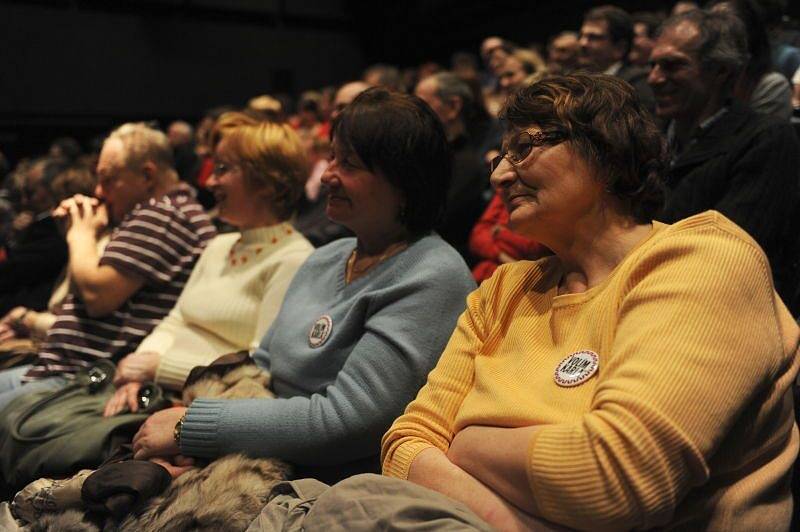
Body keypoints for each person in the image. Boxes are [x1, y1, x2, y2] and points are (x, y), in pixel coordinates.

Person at [377, 73, 798, 530]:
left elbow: (615, 480)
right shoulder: (502, 290)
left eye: (523, 149)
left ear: (605, 149)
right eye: (501, 156)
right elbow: (404, 447)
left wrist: (468, 443)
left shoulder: (704, 259)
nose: (499, 174)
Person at [130, 88, 476, 483]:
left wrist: (191, 427)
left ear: (403, 183)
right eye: (331, 157)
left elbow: (346, 421)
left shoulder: (432, 274)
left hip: (326, 484)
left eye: (349, 164)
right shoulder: (326, 257)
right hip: (254, 457)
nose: (328, 175)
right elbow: (261, 368)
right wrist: (194, 443)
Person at [103, 112, 313, 416]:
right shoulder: (218, 245)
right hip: (155, 392)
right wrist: (138, 369)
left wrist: (159, 368)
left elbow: (260, 367)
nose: (210, 181)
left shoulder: (294, 259)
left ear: (267, 183)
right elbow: (175, 320)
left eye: (223, 169)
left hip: (204, 410)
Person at [0, 123, 216, 411]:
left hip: (83, 382)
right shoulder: (164, 212)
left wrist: (81, 233)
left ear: (147, 175)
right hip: (64, 372)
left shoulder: (163, 215)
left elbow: (97, 297)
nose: (99, 192)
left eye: (108, 179)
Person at [648, 8, 800, 314]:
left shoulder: (765, 139)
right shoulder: (648, 136)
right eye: (653, 65)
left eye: (673, 66)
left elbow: (725, 254)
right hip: (647, 296)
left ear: (721, 72)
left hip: (724, 311)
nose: (654, 78)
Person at [415, 72, 491, 264]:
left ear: (453, 107)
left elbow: (432, 221)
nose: (414, 113)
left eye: (422, 104)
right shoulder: (420, 154)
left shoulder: (468, 164)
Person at [578, 5, 656, 113]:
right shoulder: (580, 80)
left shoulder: (637, 84)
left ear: (619, 48)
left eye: (594, 37)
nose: (583, 43)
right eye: (582, 35)